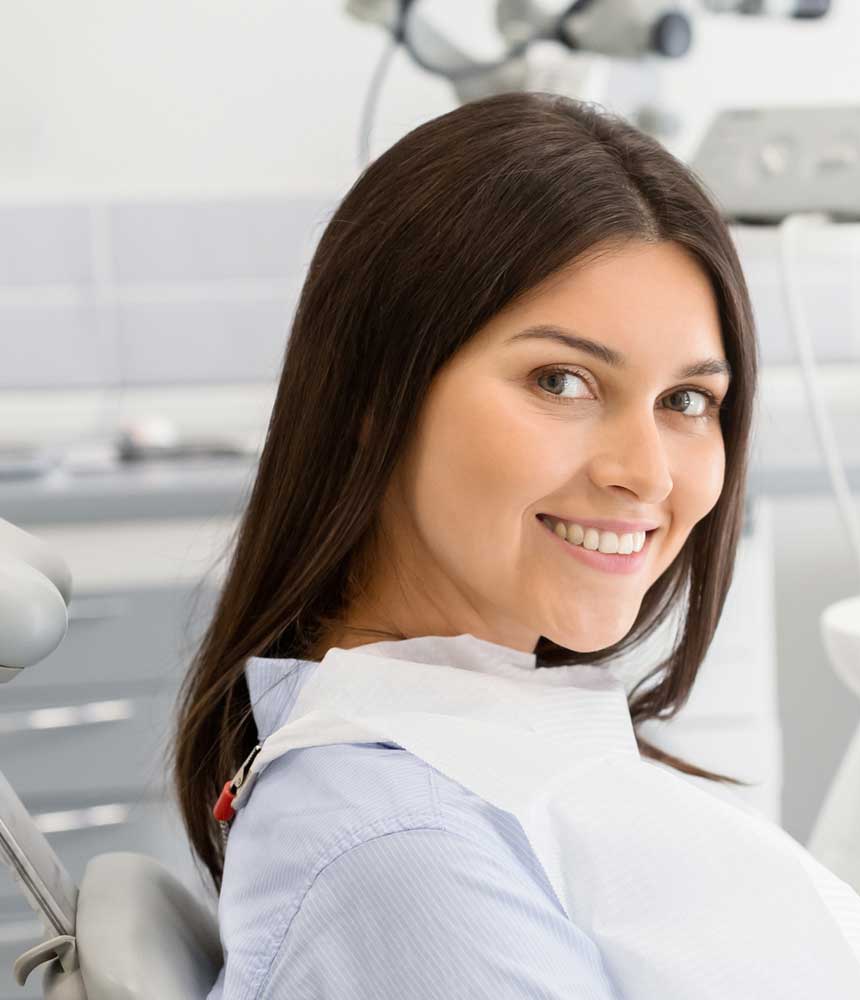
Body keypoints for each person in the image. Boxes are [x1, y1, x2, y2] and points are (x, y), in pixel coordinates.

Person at [172, 89, 768, 998]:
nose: (645, 472)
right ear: (376, 396)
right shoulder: (407, 858)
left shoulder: (449, 762)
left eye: (687, 401)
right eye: (561, 380)